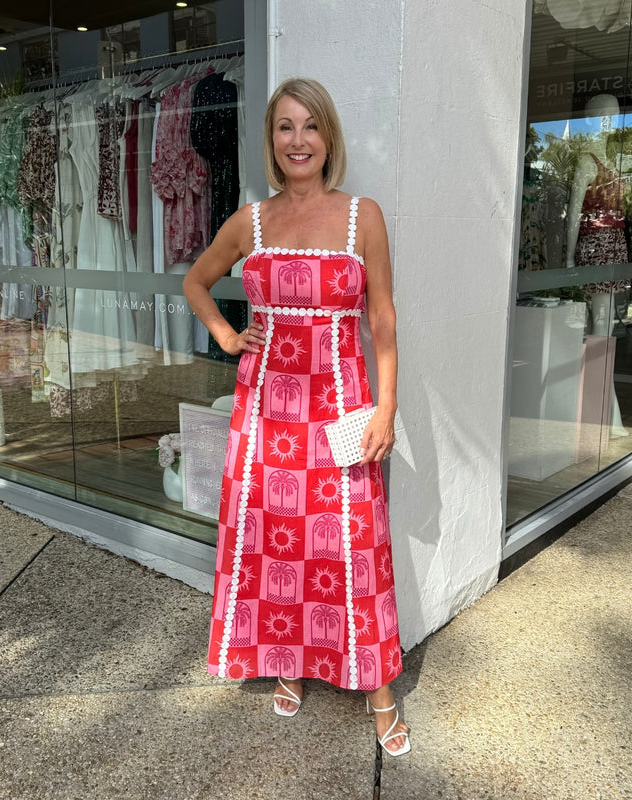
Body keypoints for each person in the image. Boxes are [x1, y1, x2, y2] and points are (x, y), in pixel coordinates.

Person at [183, 77, 410, 756]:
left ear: (329, 137)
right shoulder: (251, 221)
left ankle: (378, 691)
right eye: (285, 127)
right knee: (278, 537)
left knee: (352, 546)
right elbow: (197, 280)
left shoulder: (360, 216)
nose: (298, 140)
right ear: (271, 140)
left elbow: (382, 317)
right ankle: (290, 662)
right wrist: (228, 337)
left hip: (340, 406)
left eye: (310, 126)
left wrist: (388, 406)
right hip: (268, 409)